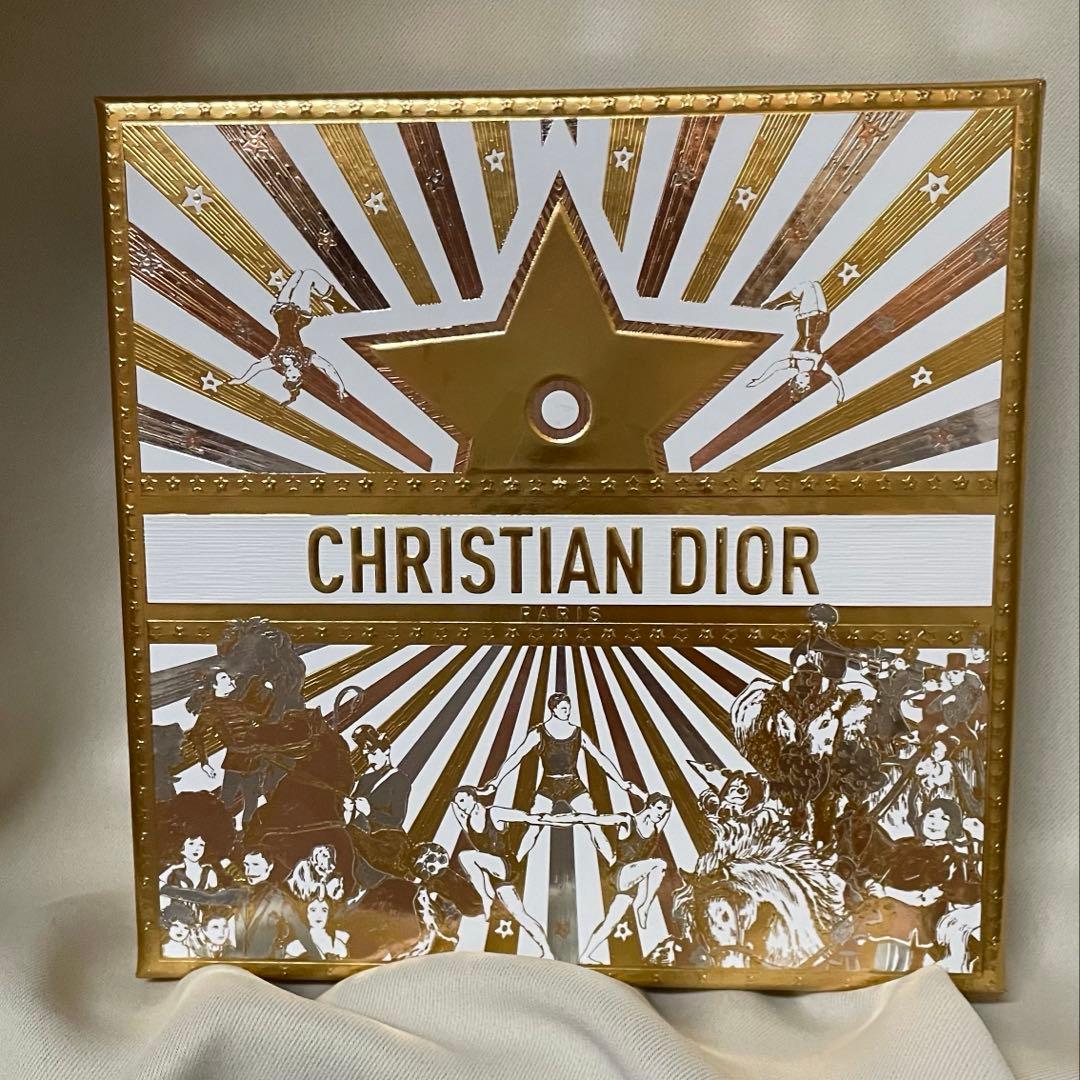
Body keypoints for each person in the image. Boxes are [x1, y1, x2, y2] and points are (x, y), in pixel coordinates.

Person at [479, 693, 645, 864]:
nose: (568, 712)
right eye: (564, 708)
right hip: (548, 784)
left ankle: (613, 863)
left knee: (594, 825)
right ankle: (514, 864)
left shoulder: (578, 733)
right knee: (534, 827)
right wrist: (497, 781)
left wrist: (620, 781)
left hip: (573, 784)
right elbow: (517, 756)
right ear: (553, 709)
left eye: (569, 708)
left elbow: (599, 758)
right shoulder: (539, 732)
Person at [450, 786, 580, 959]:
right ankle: (547, 951)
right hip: (493, 875)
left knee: (466, 856)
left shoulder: (494, 813)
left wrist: (554, 821)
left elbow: (526, 817)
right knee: (520, 915)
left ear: (472, 797)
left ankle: (486, 897)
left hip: (505, 864)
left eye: (462, 800)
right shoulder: (466, 822)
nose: (460, 806)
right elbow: (454, 807)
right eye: (458, 803)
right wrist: (461, 800)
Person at [571, 794, 673, 962]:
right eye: (659, 808)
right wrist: (553, 819)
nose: (662, 814)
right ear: (650, 805)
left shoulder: (656, 827)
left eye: (665, 811)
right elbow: (592, 819)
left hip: (633, 881)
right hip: (620, 873)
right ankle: (644, 907)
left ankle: (585, 956)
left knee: (610, 923)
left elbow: (668, 808)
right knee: (659, 864)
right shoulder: (628, 820)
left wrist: (650, 799)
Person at [228, 269, 347, 404]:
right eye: (294, 376)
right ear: (299, 374)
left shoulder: (276, 359)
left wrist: (241, 380)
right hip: (299, 316)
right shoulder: (304, 358)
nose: (290, 373)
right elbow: (327, 367)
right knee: (309, 275)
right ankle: (338, 303)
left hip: (282, 313)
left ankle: (332, 299)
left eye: (288, 376)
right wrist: (340, 386)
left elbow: (257, 367)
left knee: (296, 276)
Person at [184, 669, 277, 828]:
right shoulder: (211, 709)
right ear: (214, 685)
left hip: (253, 761)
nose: (230, 680)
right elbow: (196, 735)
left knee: (251, 803)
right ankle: (220, 834)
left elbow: (260, 715)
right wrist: (204, 763)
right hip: (235, 762)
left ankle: (247, 836)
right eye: (223, 678)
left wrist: (270, 693)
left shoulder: (238, 704)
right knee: (226, 803)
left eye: (228, 676)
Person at [747, 281, 845, 404]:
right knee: (816, 284)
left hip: (808, 320)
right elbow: (834, 377)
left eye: (800, 381)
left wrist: (759, 381)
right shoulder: (818, 366)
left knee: (807, 286)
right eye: (806, 384)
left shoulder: (794, 363)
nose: (805, 380)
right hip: (823, 321)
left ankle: (777, 302)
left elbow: (775, 367)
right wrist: (841, 394)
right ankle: (785, 302)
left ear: (794, 378)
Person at [347, 726, 413, 892]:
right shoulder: (365, 779)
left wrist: (370, 812)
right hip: (358, 834)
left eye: (373, 754)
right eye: (366, 756)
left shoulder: (400, 780)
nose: (370, 760)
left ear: (387, 750)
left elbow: (397, 820)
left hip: (384, 843)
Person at [284, 897, 350, 959]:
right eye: (313, 910)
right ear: (306, 913)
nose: (319, 915)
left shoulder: (337, 944)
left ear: (329, 914)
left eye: (324, 910)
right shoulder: (296, 946)